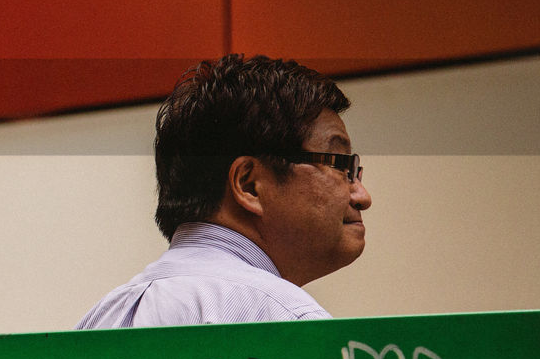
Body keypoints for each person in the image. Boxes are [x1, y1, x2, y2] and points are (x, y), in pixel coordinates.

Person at [77, 54, 372, 327]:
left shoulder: (100, 319)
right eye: (340, 165)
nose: (362, 196)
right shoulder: (287, 319)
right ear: (249, 185)